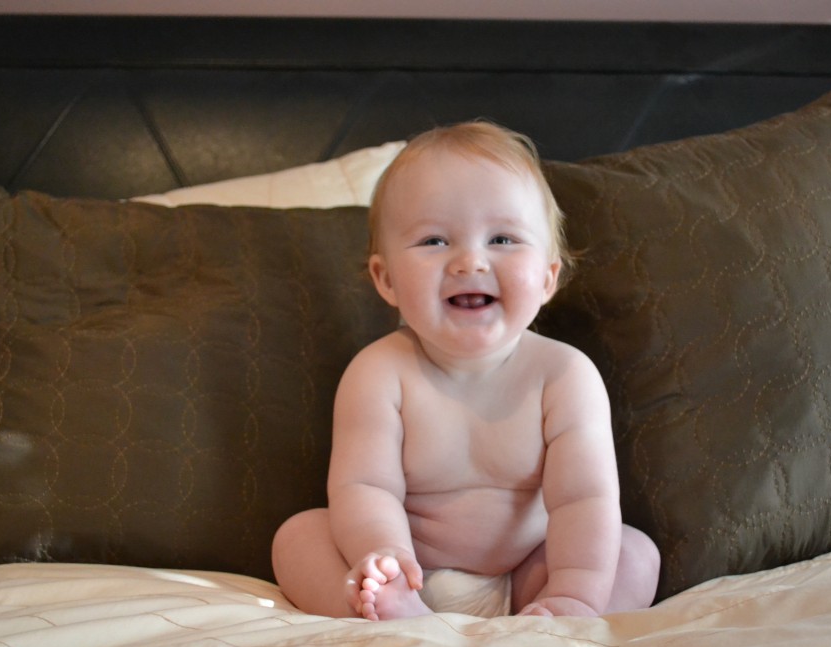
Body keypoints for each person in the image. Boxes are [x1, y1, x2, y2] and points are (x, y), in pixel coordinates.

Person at [271, 121, 660, 620]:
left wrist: (573, 591)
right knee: (298, 537)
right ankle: (393, 612)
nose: (469, 261)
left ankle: (558, 622)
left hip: (531, 575)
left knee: (634, 554)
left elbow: (583, 500)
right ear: (385, 278)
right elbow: (364, 488)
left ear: (547, 276)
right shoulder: (378, 373)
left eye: (502, 238)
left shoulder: (564, 376)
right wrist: (386, 556)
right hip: (414, 575)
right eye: (434, 241)